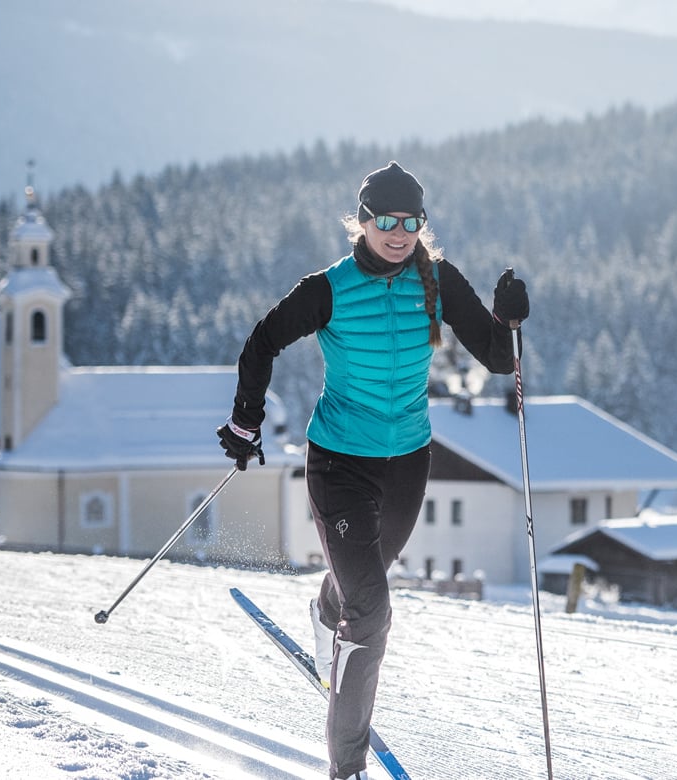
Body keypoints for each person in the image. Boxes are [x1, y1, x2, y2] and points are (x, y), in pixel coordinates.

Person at [218, 161, 528, 780]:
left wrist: (510, 322)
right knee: (376, 608)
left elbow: (497, 360)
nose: (399, 232)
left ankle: (327, 614)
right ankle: (347, 767)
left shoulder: (438, 282)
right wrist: (246, 421)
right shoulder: (328, 288)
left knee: (362, 585)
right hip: (339, 462)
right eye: (386, 219)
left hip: (408, 463)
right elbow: (262, 340)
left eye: (411, 221)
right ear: (362, 221)